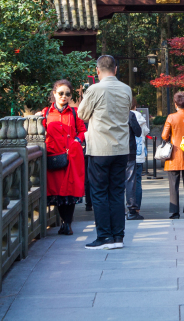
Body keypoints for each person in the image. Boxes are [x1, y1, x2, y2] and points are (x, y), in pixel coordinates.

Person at [77, 55, 133, 250]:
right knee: (117, 192)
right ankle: (118, 236)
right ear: (116, 69)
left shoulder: (94, 89)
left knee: (99, 192)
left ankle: (104, 236)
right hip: (121, 149)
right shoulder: (126, 89)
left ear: (97, 71)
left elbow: (82, 114)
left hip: (100, 148)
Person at [43, 80, 86, 235]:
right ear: (54, 94)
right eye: (61, 93)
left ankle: (67, 223)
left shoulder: (74, 113)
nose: (64, 96)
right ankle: (64, 222)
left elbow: (82, 131)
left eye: (67, 94)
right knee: (57, 191)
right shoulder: (46, 113)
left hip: (71, 157)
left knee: (70, 191)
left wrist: (77, 141)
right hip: (54, 157)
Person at [162, 92, 184, 219]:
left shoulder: (171, 117)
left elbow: (164, 136)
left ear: (175, 104)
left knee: (173, 185)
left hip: (173, 156)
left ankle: (175, 212)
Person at [126, 101, 146, 220]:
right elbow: (138, 132)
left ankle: (116, 210)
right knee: (131, 181)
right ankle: (132, 209)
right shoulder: (130, 115)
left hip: (113, 151)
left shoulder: (110, 114)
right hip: (129, 151)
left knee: (116, 182)